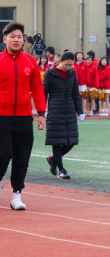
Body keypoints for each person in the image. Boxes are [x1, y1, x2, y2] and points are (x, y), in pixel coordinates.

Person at [0, 22, 46, 210]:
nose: (16, 40)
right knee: (4, 154)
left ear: (23, 40)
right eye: (12, 37)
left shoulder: (30, 61)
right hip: (1, 116)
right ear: (5, 39)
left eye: (19, 37)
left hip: (24, 117)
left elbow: (37, 88)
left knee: (22, 157)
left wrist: (41, 113)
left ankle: (17, 194)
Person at [43, 51, 83, 179]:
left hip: (69, 111)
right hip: (55, 111)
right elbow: (43, 93)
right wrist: (41, 111)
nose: (68, 68)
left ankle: (52, 159)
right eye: (66, 65)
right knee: (57, 141)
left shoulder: (71, 73)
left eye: (71, 65)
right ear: (60, 61)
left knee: (71, 141)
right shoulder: (50, 73)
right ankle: (61, 170)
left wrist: (80, 111)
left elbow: (75, 93)